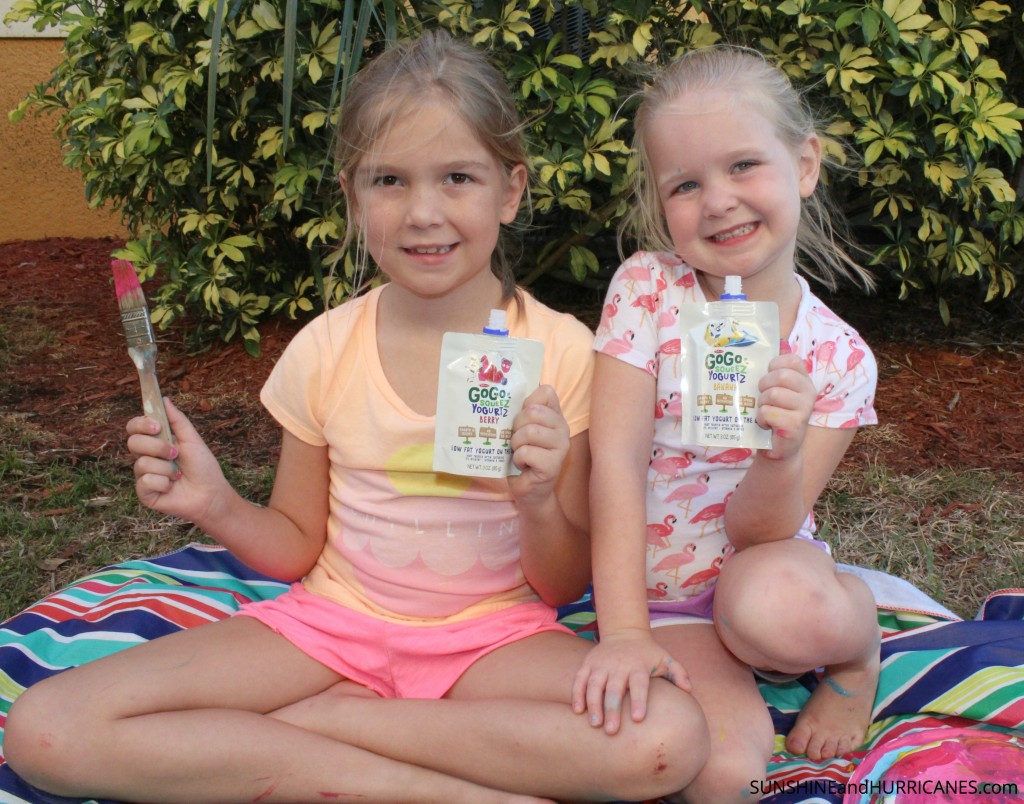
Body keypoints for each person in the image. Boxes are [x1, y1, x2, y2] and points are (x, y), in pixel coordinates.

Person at [4, 31, 709, 804]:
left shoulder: (564, 353)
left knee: (666, 738)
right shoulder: (326, 348)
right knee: (46, 728)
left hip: (495, 641)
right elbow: (295, 546)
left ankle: (335, 730)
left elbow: (561, 582)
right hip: (329, 629)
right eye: (390, 182)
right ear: (352, 195)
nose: (423, 213)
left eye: (458, 178)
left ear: (510, 191)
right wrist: (216, 505)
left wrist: (536, 498)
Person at [572, 45, 882, 802]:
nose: (718, 200)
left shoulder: (838, 357)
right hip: (660, 599)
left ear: (804, 165)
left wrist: (780, 454)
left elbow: (761, 534)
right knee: (723, 777)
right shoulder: (648, 290)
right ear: (660, 201)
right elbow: (611, 462)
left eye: (743, 166)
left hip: (761, 568)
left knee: (779, 612)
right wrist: (627, 635)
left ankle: (856, 652)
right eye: (686, 183)